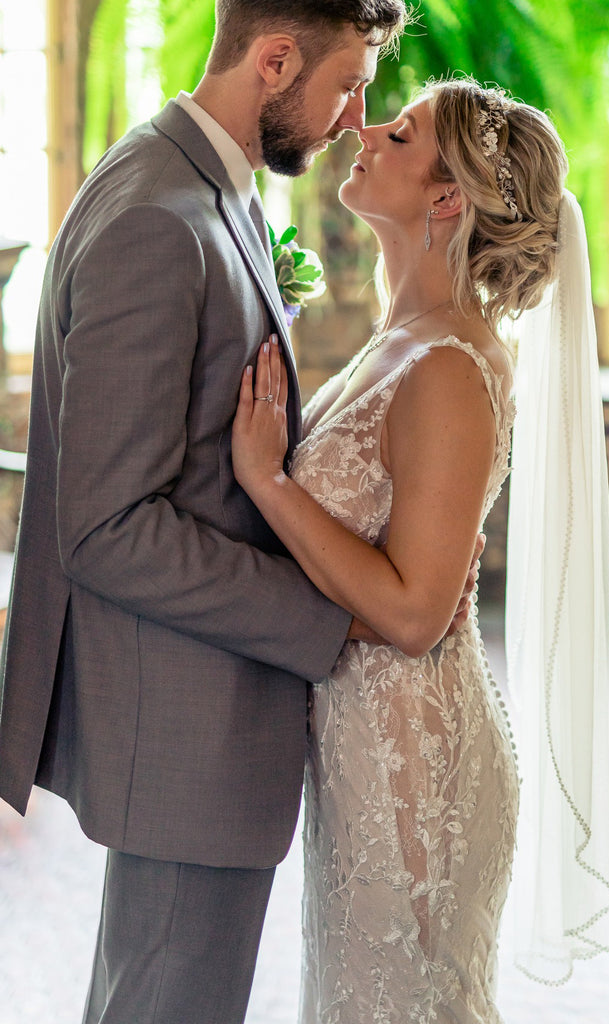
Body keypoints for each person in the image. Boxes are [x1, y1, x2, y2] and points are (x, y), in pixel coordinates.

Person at [0, 3, 420, 1023]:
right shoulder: (159, 216)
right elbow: (106, 527)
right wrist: (333, 615)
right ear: (274, 61)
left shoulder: (196, 181)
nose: (353, 118)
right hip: (187, 726)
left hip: (202, 719)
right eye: (345, 84)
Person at [232, 76, 609, 1021]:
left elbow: (413, 615)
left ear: (446, 198)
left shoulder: (448, 366)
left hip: (412, 771)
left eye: (399, 133)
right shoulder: (402, 337)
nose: (364, 130)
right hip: (366, 750)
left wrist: (269, 483)